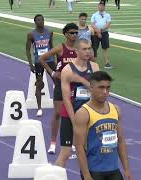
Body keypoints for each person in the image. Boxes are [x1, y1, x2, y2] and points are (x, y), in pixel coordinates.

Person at [74, 71, 133, 180]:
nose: (105, 92)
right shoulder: (83, 113)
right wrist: (86, 175)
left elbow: (120, 140)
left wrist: (126, 169)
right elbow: (79, 147)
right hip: (94, 171)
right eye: (101, 88)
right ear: (91, 87)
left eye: (108, 88)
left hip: (113, 169)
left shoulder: (116, 110)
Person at [57, 38, 99, 167]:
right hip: (70, 115)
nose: (88, 52)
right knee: (66, 152)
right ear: (76, 51)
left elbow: (97, 92)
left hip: (89, 115)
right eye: (84, 49)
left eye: (89, 48)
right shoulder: (67, 70)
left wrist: (81, 80)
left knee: (89, 152)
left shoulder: (95, 67)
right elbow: (66, 99)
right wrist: (74, 120)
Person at [39, 23, 79, 154]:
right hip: (61, 86)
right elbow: (42, 58)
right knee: (57, 114)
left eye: (76, 33)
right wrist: (52, 72)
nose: (74, 35)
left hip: (74, 87)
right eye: (72, 33)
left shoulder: (79, 49)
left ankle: (72, 142)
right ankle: (52, 143)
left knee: (74, 115)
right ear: (66, 34)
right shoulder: (60, 48)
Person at [26, 14, 56, 117]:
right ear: (35, 22)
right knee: (39, 84)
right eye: (38, 20)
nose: (40, 21)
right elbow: (27, 50)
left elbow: (51, 47)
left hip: (50, 60)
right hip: (38, 62)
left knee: (58, 81)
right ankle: (39, 108)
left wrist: (55, 61)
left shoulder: (49, 32)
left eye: (42, 19)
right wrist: (31, 64)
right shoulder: (31, 34)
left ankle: (60, 104)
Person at [91, 1, 112, 69]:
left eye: (103, 5)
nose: (101, 6)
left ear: (104, 7)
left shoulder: (107, 15)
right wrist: (98, 31)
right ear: (98, 6)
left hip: (104, 33)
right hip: (95, 33)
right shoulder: (94, 15)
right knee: (94, 48)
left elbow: (108, 24)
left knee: (105, 48)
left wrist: (101, 30)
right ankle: (94, 63)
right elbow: (92, 24)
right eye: (100, 5)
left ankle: (107, 63)